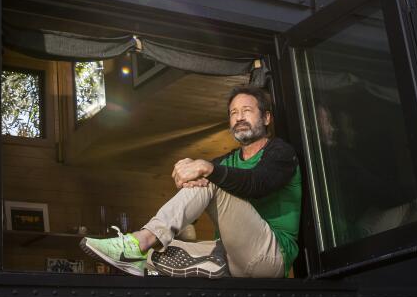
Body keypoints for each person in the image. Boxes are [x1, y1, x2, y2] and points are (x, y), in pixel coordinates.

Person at [80, 86, 302, 279]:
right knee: (152, 255)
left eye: (247, 111)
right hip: (233, 257)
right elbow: (203, 176)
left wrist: (206, 168)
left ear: (266, 118)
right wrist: (186, 174)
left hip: (271, 257)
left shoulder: (281, 153)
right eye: (234, 113)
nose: (239, 117)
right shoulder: (229, 160)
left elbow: (257, 184)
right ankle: (191, 261)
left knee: (211, 179)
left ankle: (139, 241)